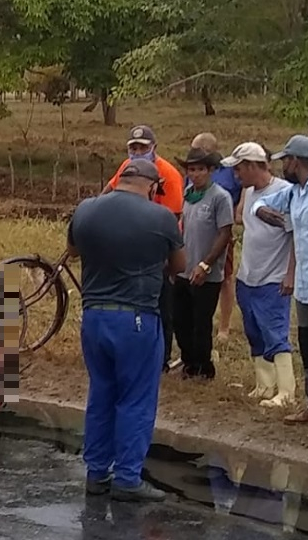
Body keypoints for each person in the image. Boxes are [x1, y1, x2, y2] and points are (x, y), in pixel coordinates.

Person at [71, 158, 186, 502]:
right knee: (135, 399)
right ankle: (126, 479)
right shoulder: (161, 217)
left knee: (101, 395)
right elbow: (179, 266)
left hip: (94, 316)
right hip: (136, 318)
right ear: (152, 187)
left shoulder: (87, 209)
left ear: (120, 179)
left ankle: (95, 473)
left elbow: (73, 250)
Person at [253, 135, 308, 428]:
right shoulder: (295, 193)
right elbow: (263, 202)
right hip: (305, 285)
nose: (282, 167)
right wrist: (263, 211)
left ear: (296, 161)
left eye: (285, 160)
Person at [103, 125, 186, 372]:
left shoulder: (169, 175)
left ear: (154, 149)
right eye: (134, 147)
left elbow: (172, 217)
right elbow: (109, 190)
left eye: (143, 147)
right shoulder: (127, 168)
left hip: (158, 243)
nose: (138, 152)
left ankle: (161, 359)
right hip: (128, 241)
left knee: (161, 304)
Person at [222, 142, 296, 407]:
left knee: (275, 331)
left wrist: (290, 274)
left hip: (273, 277)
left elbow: (296, 235)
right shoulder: (249, 192)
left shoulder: (286, 192)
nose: (236, 175)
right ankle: (265, 385)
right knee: (254, 331)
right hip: (248, 275)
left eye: (240, 169)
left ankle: (286, 391)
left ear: (255, 166)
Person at [171, 147, 233, 380]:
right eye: (191, 170)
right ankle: (188, 363)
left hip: (207, 272)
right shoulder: (188, 194)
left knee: (201, 322)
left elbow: (224, 233)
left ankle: (203, 367)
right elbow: (183, 228)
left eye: (200, 169)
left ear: (210, 171)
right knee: (181, 319)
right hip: (184, 268)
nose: (195, 174)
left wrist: (206, 264)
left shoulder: (220, 197)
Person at [191, 133, 243, 339]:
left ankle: (224, 325)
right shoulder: (194, 171)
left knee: (224, 277)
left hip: (221, 230)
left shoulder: (229, 172)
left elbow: (245, 189)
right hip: (197, 230)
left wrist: (235, 212)